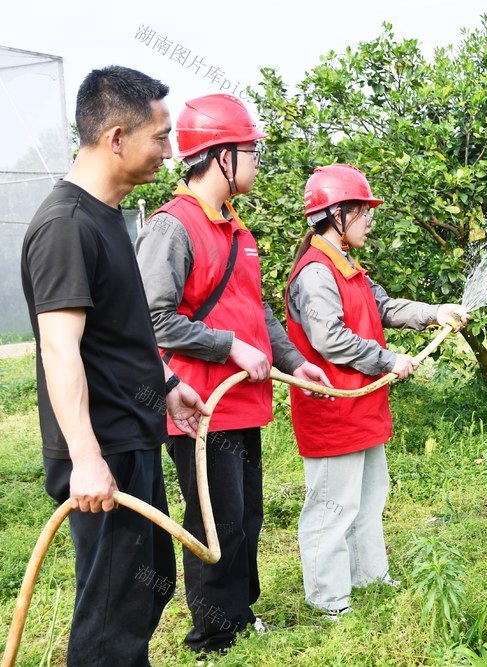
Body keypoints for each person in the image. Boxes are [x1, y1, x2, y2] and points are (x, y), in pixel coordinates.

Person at [20, 65, 209, 667]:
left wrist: (169, 384)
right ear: (117, 137)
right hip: (101, 449)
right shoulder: (66, 227)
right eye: (161, 136)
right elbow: (60, 349)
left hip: (133, 433)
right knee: (111, 614)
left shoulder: (109, 217)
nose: (170, 152)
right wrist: (86, 461)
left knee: (145, 584)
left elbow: (116, 337)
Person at [134, 93, 330, 655]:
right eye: (250, 151)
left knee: (246, 514)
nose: (257, 162)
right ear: (221, 156)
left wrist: (294, 361)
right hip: (200, 406)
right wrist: (229, 348)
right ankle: (214, 635)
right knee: (215, 519)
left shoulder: (237, 230)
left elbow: (256, 312)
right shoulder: (174, 228)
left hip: (244, 404)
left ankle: (240, 615)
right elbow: (153, 319)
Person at [284, 164, 467, 620]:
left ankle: (369, 576)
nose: (369, 220)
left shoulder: (348, 266)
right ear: (337, 214)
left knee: (369, 497)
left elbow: (384, 307)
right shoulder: (315, 273)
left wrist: (433, 312)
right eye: (364, 211)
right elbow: (330, 340)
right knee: (332, 505)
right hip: (332, 409)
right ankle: (329, 598)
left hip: (362, 407)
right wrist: (390, 360)